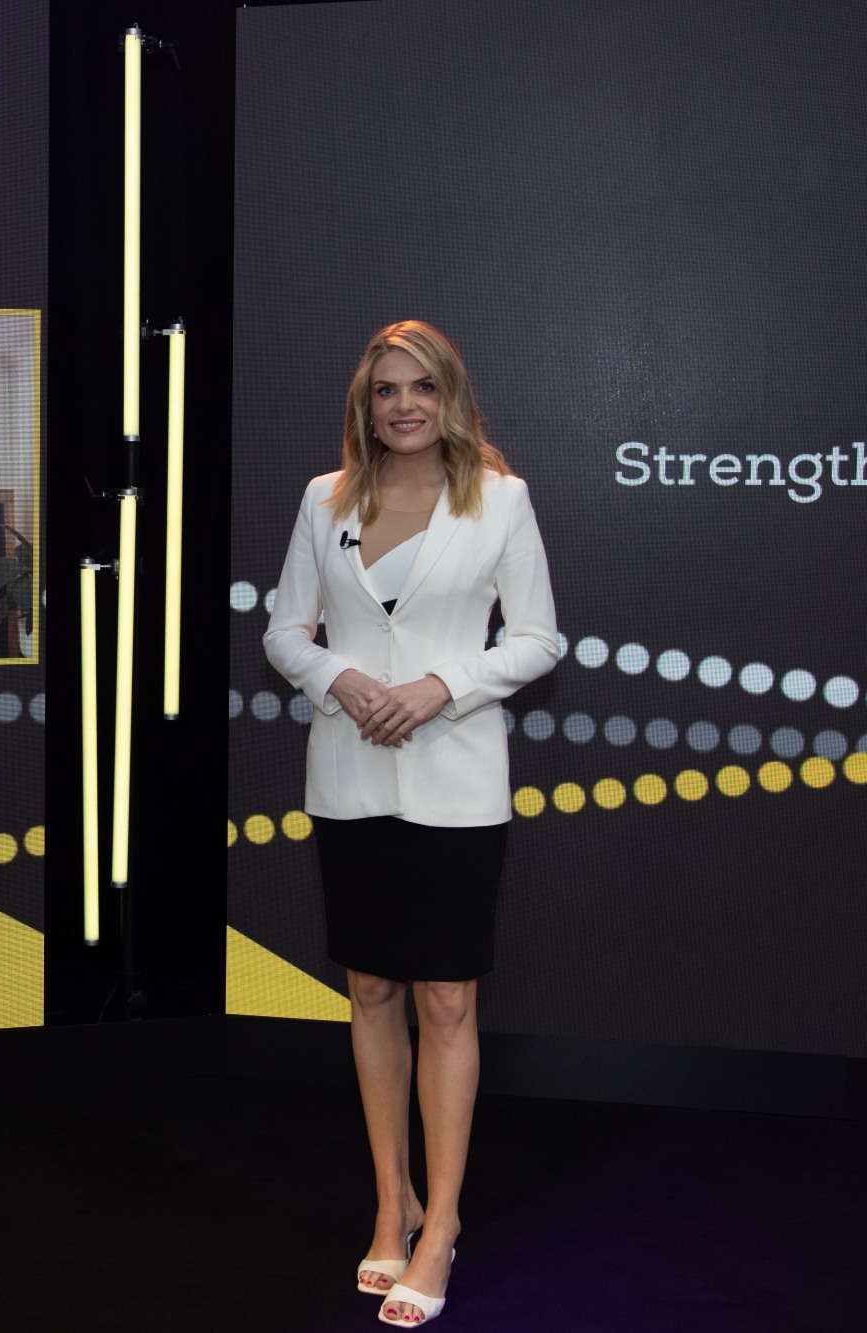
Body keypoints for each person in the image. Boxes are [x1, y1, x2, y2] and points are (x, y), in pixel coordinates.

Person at [262, 321, 559, 1326]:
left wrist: (441, 685)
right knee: (372, 987)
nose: (403, 405)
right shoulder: (325, 498)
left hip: (455, 783)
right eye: (386, 389)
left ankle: (444, 1223)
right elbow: (283, 631)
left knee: (445, 1000)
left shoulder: (500, 500)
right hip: (350, 780)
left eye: (420, 388)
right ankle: (394, 1205)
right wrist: (340, 677)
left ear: (450, 397)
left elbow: (537, 639)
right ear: (365, 402)